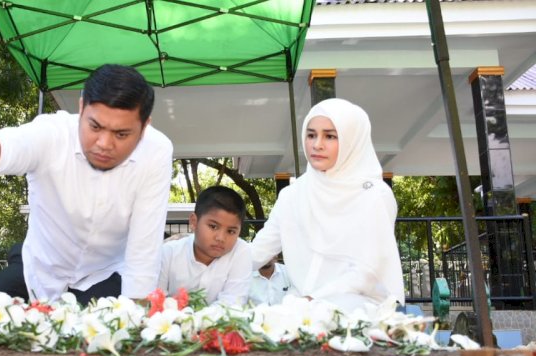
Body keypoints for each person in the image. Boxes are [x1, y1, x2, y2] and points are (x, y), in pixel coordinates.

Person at [0, 64, 173, 305]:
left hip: (107, 275)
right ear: (81, 108)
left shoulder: (156, 152)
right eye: (95, 127)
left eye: (121, 134)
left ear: (144, 126)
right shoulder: (52, 133)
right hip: (37, 268)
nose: (104, 144)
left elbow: (143, 252)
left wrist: (137, 321)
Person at [250, 98, 404, 314]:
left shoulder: (374, 195)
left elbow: (365, 273)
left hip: (357, 311)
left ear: (352, 140)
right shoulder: (292, 194)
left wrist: (312, 301)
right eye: (311, 135)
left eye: (330, 136)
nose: (317, 144)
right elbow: (259, 250)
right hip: (298, 310)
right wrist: (211, 269)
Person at [158, 186, 252, 305]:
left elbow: (232, 304)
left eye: (231, 231)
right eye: (213, 226)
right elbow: (156, 301)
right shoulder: (168, 253)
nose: (221, 238)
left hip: (221, 323)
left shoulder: (241, 252)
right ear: (194, 222)